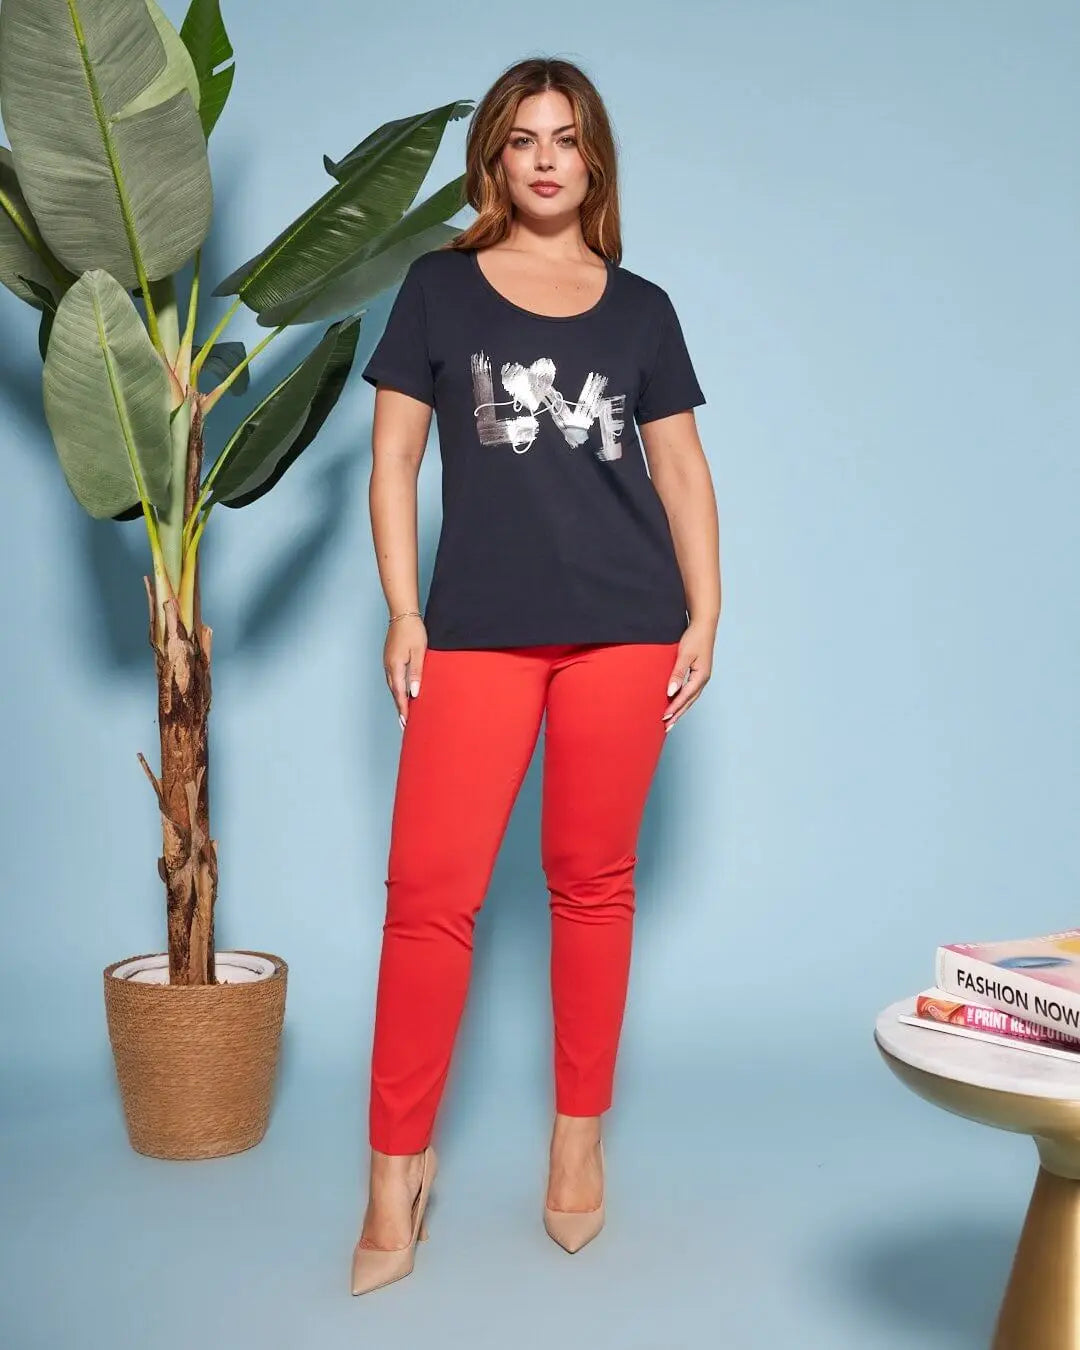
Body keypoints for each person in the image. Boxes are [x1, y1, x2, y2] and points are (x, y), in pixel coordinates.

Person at [351, 54, 722, 1295]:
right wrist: (405, 611)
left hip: (626, 626)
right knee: (429, 896)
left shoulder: (642, 309)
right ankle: (394, 1169)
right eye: (523, 139)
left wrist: (707, 613)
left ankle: (576, 1141)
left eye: (566, 137)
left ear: (593, 158)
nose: (547, 158)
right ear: (496, 160)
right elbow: (394, 461)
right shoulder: (438, 291)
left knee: (592, 886)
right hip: (476, 630)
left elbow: (680, 469)